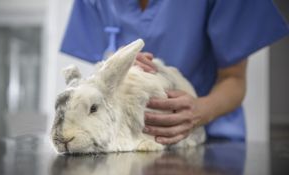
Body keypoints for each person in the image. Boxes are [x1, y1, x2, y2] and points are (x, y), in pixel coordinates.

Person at [60, 0, 289, 144]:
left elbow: (234, 79)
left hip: (210, 140)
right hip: (127, 141)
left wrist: (200, 111)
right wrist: (113, 63)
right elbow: (100, 83)